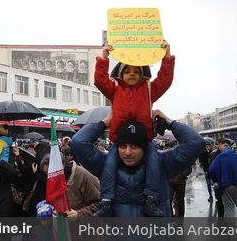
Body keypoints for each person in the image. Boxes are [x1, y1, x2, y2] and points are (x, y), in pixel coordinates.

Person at [71, 110, 205, 217]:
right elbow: (78, 142)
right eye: (123, 146)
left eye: (134, 147)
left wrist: (170, 123)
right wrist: (105, 122)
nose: (128, 152)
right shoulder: (105, 165)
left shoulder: (163, 164)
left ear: (144, 148)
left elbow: (196, 143)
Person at [93, 41, 175, 217]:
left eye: (136, 71)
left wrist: (167, 57)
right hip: (119, 140)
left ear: (143, 73)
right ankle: (106, 201)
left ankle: (151, 199)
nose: (132, 74)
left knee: (154, 162)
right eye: (128, 71)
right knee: (109, 163)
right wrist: (104, 58)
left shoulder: (149, 89)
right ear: (121, 73)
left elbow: (165, 80)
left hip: (144, 140)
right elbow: (99, 80)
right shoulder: (114, 89)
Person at [209, 139, 237, 217]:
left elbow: (211, 171)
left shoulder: (219, 158)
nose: (219, 148)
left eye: (220, 146)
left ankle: (231, 228)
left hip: (225, 186)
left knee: (228, 209)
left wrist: (216, 180)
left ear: (224, 146)